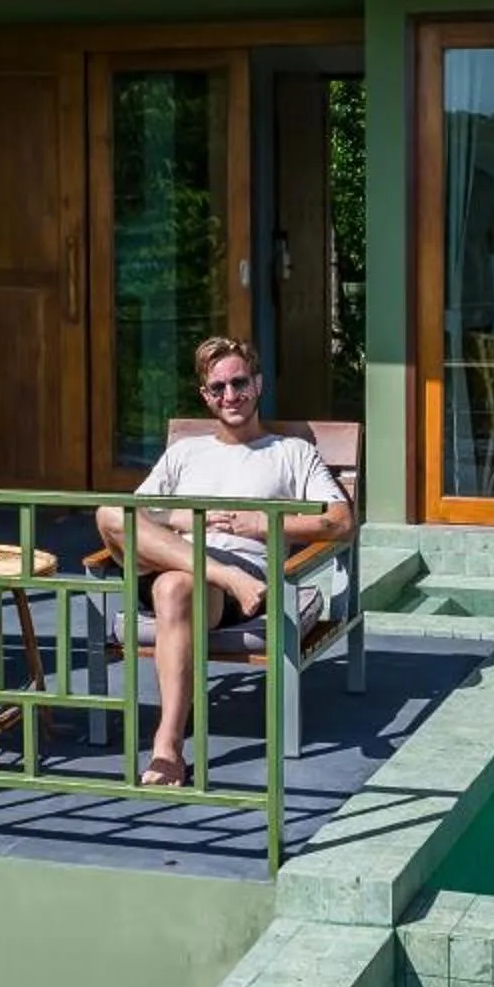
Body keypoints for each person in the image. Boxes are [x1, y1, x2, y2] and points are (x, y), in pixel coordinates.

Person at [95, 336, 353, 787]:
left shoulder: (292, 453)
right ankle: (224, 575)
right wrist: (185, 516)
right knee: (108, 513)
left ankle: (167, 747)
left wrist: (263, 525)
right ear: (205, 395)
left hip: (225, 585)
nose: (230, 396)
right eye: (218, 388)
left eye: (239, 383)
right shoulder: (184, 453)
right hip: (182, 563)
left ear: (258, 384)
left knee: (174, 587)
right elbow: (131, 515)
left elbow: (340, 521)